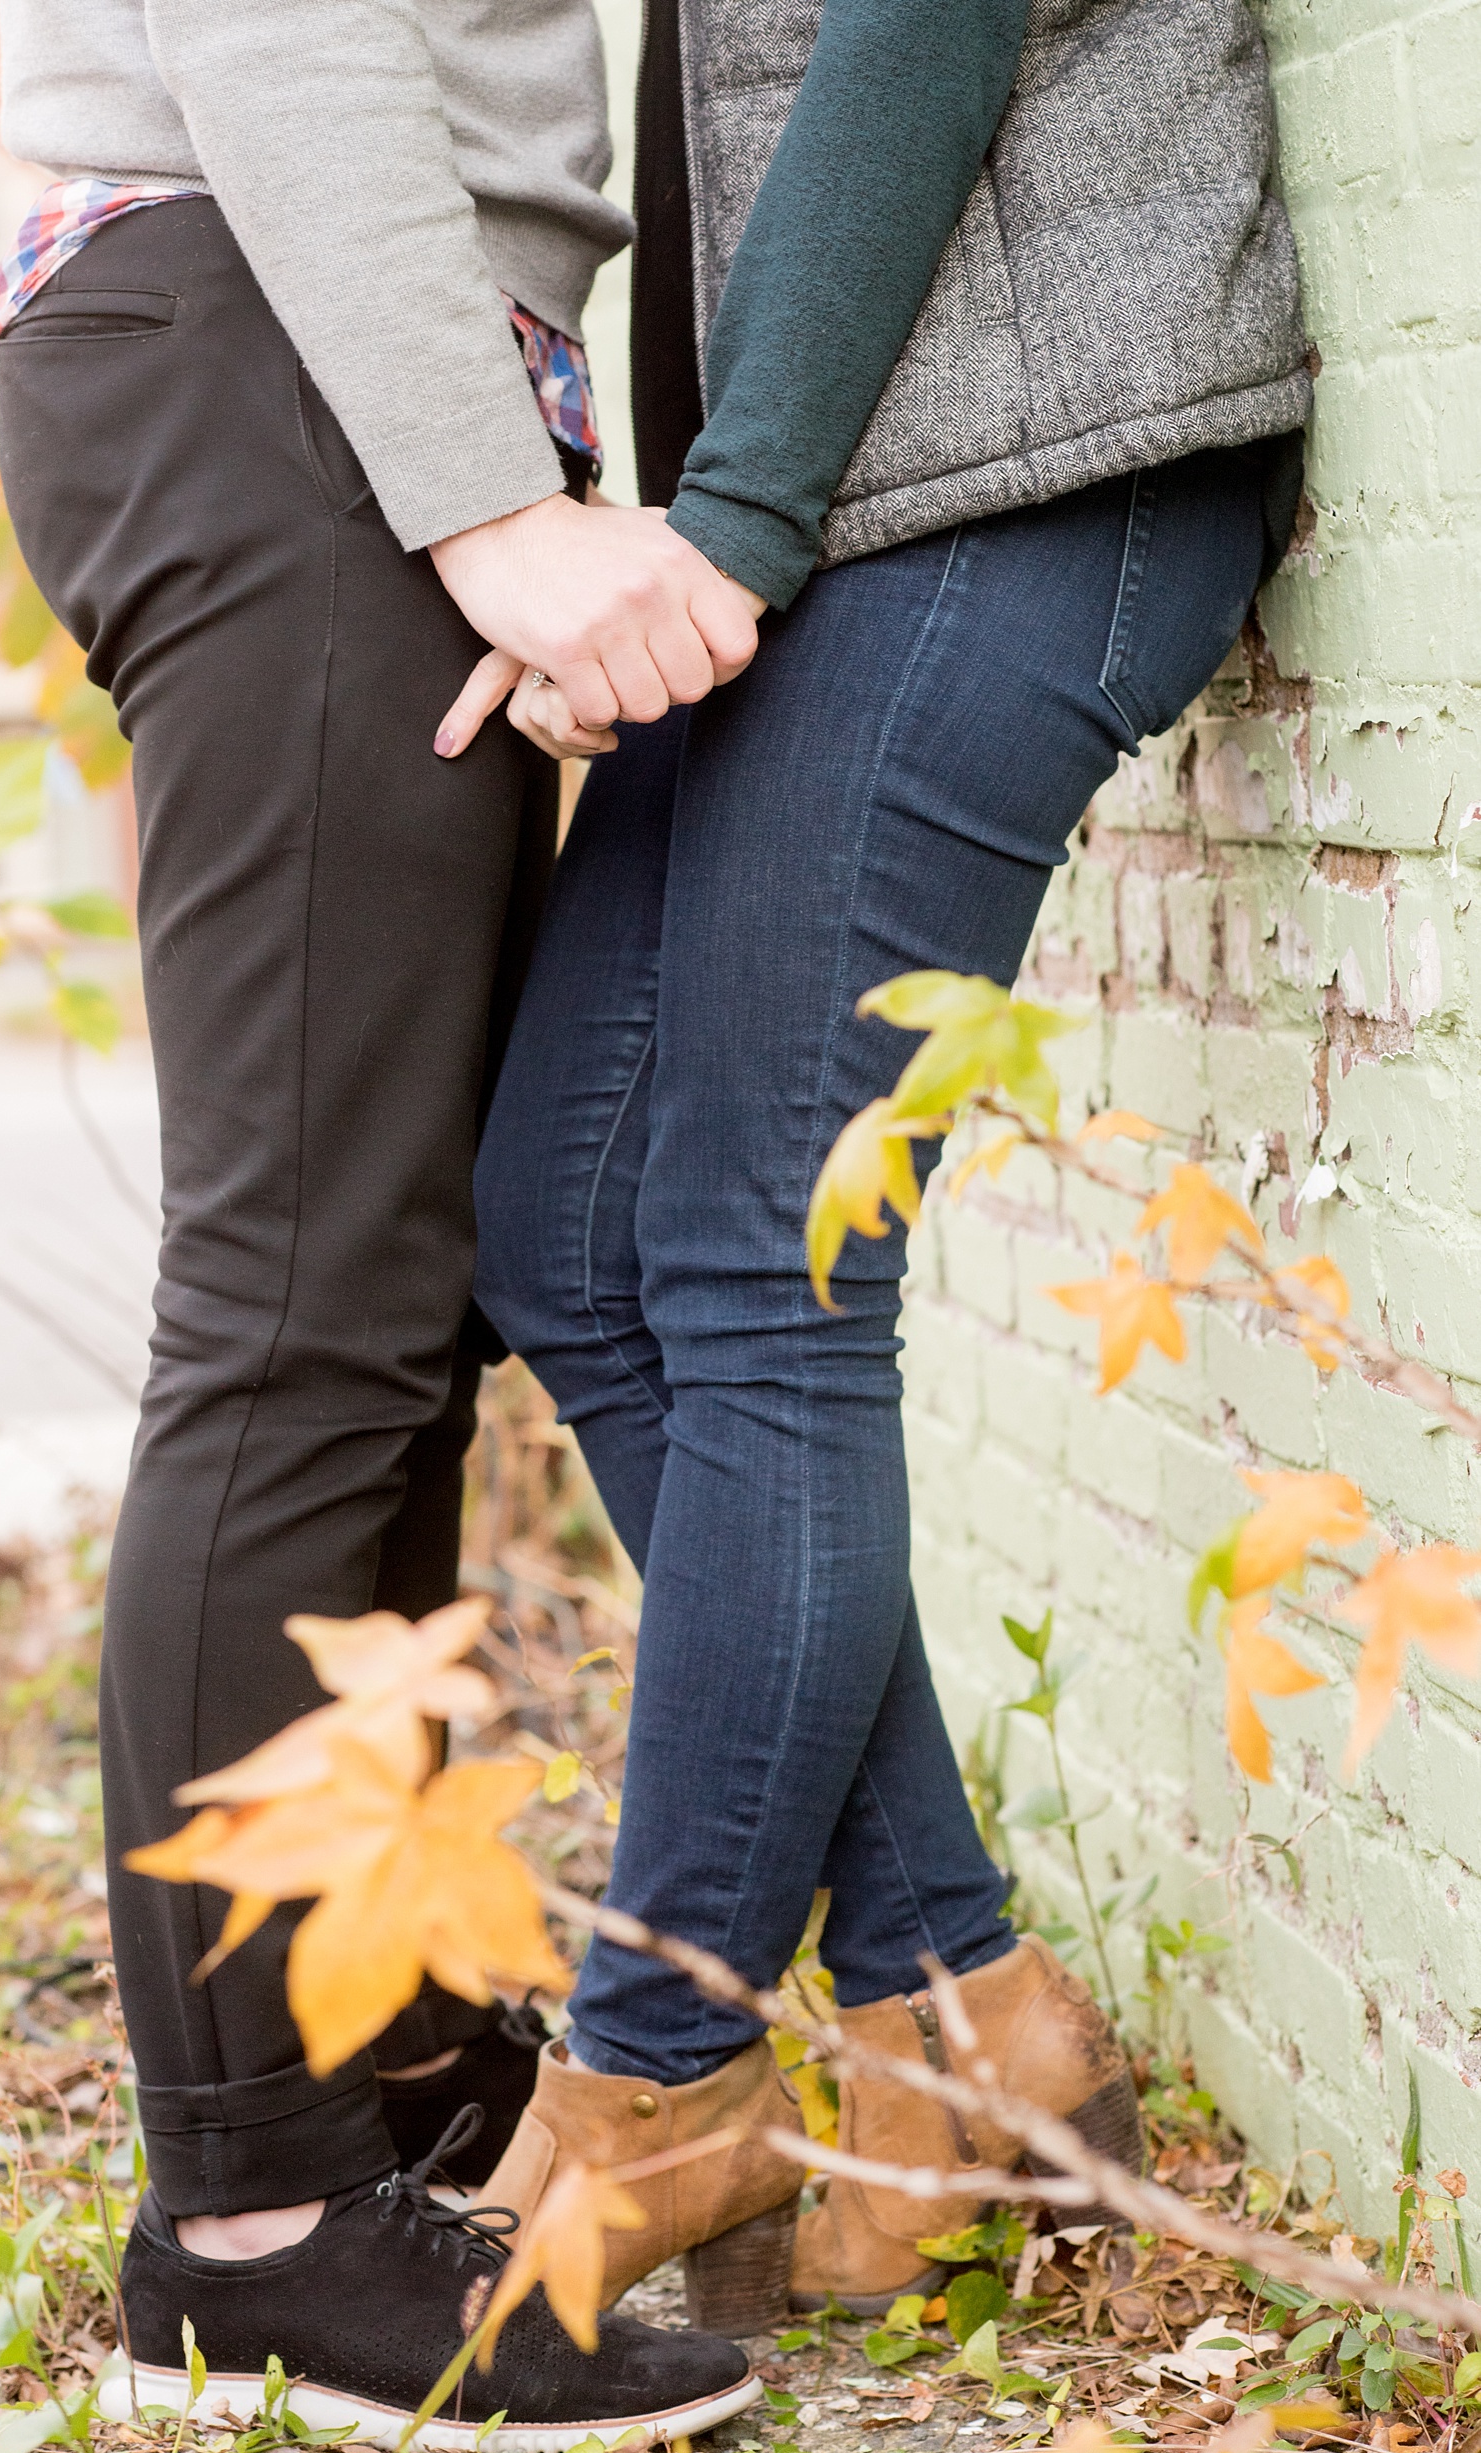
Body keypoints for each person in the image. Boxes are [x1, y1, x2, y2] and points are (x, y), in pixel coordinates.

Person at [456, 0, 1313, 2324]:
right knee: (562, 1217)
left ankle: (660, 2068)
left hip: (1034, 457)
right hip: (850, 474)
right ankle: (967, 2014)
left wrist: (725, 521)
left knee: (760, 1254)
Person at [0, 0, 764, 2450]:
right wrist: (488, 495)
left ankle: (385, 2067)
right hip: (282, 331)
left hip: (340, 336)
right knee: (304, 1310)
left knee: (388, 1301)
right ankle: (248, 2216)